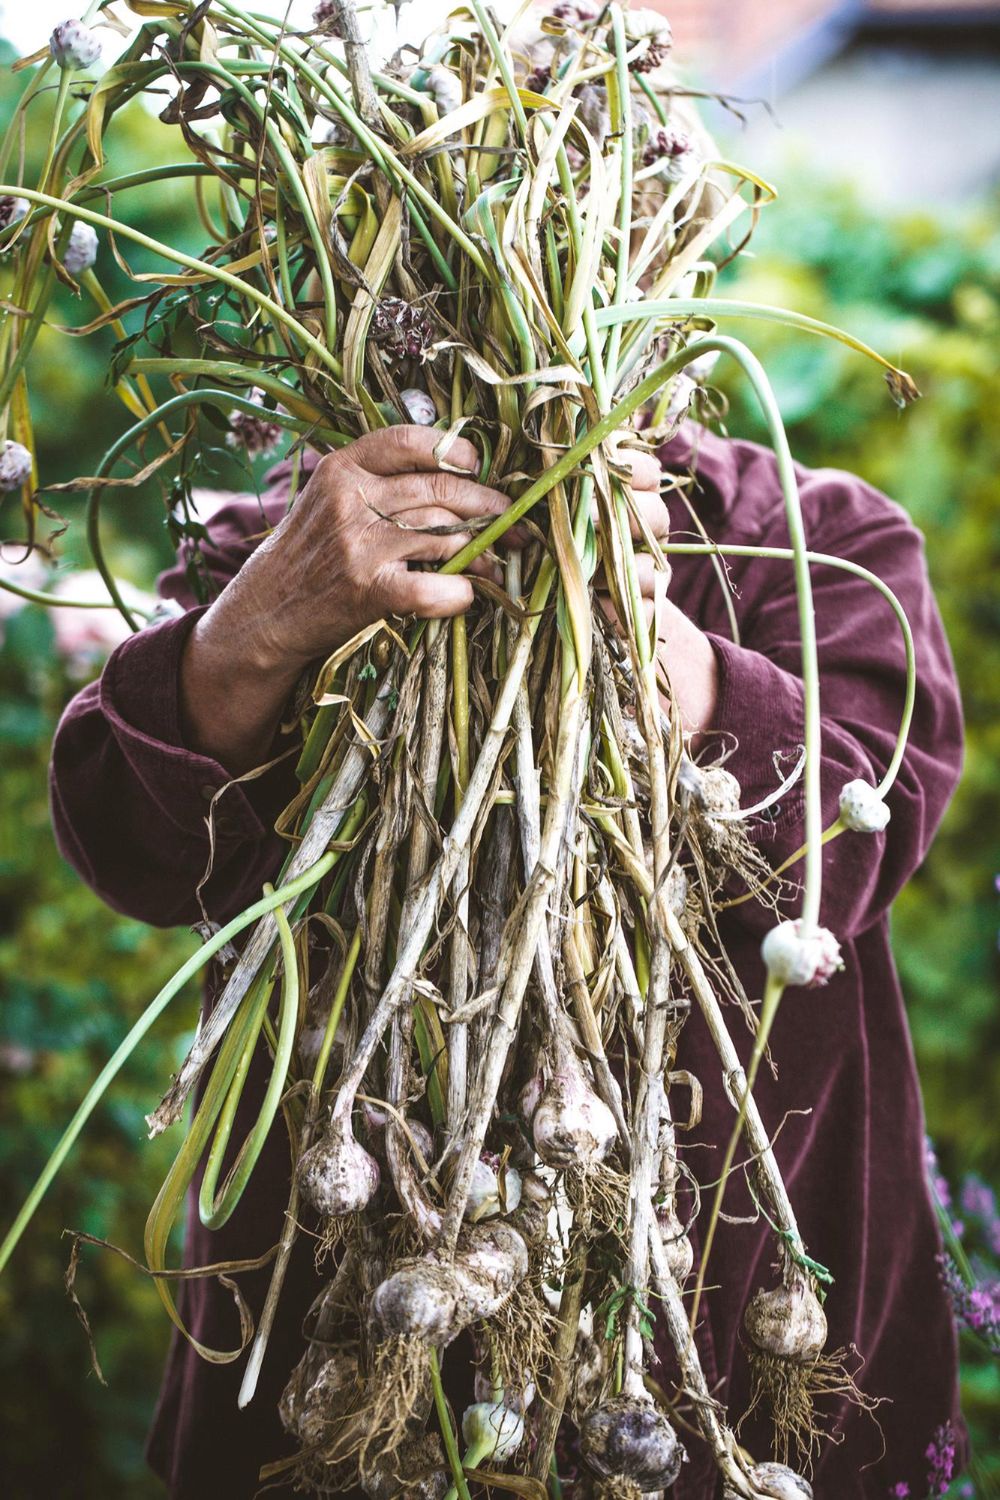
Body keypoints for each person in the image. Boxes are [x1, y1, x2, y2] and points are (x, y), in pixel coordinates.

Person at [49, 417, 965, 1498]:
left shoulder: (819, 538)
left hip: (725, 1339)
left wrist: (640, 635)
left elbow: (865, 837)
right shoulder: (283, 535)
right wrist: (257, 628)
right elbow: (132, 848)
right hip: (338, 1330)